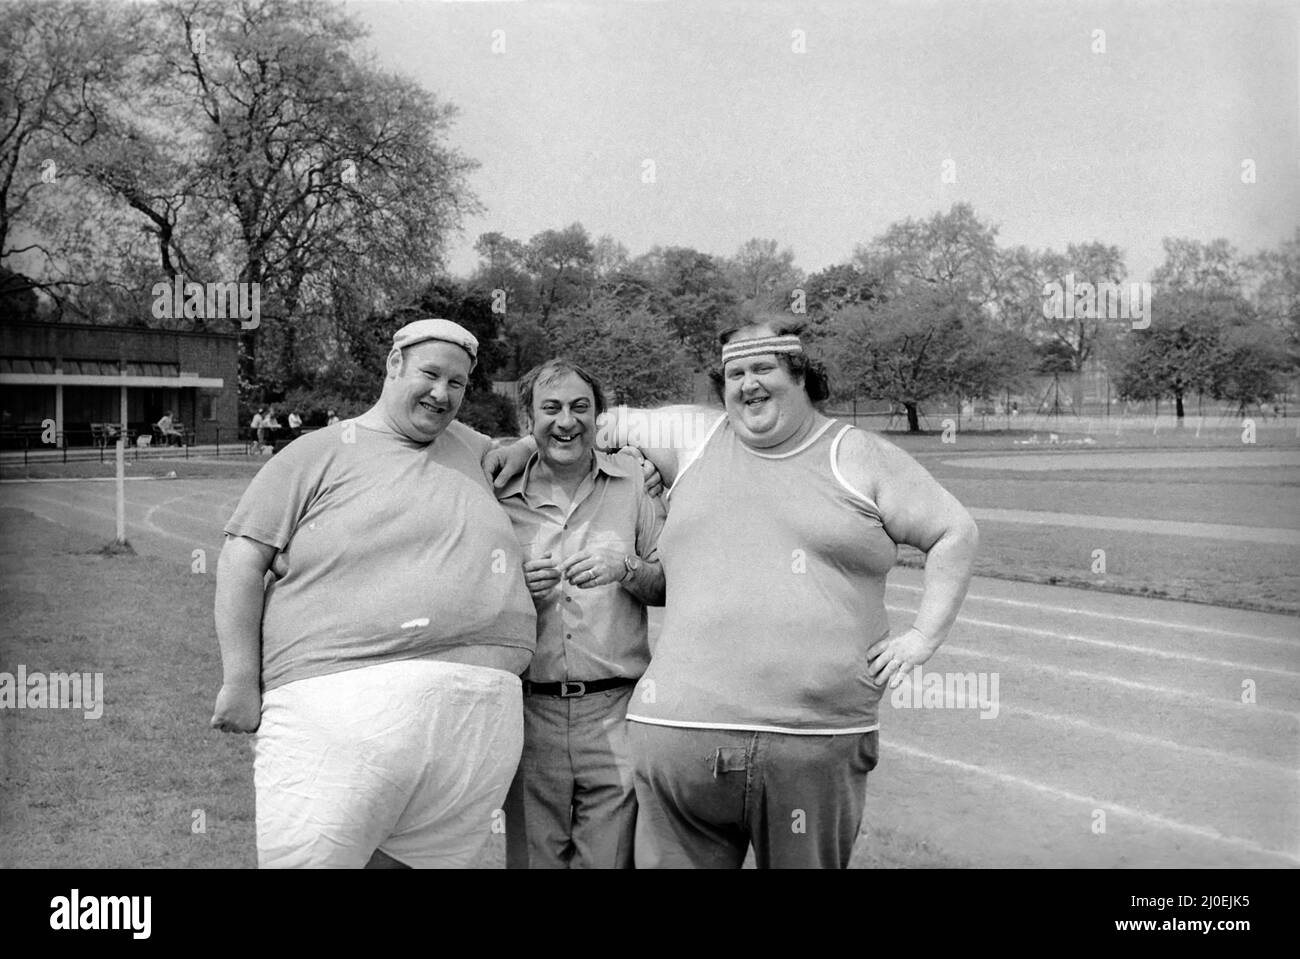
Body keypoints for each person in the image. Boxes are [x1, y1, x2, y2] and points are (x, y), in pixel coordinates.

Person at [494, 318, 978, 869]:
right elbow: (586, 424)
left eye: (762, 369)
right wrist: (520, 445)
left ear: (801, 376)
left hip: (813, 738)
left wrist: (922, 638)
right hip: (680, 739)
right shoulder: (695, 436)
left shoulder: (859, 454)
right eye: (734, 373)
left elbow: (954, 532)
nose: (747, 384)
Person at [211, 318, 538, 869]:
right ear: (393, 366)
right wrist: (240, 682)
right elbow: (242, 558)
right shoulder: (313, 452)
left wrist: (529, 441)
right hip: (337, 714)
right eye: (430, 375)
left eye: (457, 384)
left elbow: (533, 447)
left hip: (474, 736)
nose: (442, 393)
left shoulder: (470, 447)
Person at [495, 359, 666, 869]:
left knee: (609, 861)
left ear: (599, 417)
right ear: (528, 421)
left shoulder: (637, 481)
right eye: (550, 408)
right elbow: (468, 593)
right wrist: (513, 588)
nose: (566, 421)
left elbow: (667, 587)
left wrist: (628, 567)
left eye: (579, 407)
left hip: (615, 711)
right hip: (528, 713)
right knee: (532, 860)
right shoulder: (497, 492)